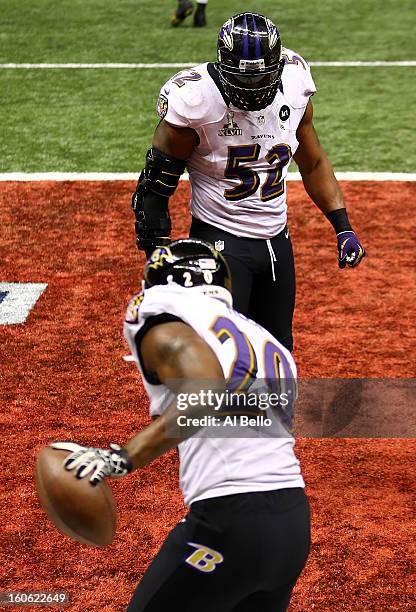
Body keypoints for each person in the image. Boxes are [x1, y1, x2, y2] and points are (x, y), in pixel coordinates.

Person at [51, 238, 310, 611]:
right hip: (291, 523)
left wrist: (119, 459)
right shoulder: (267, 341)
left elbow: (203, 396)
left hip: (229, 522)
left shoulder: (165, 312)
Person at [131, 12, 366, 352]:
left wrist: (342, 226)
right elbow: (154, 187)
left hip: (276, 241)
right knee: (222, 354)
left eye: (262, 79)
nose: (254, 89)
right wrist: (156, 251)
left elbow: (312, 162)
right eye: (245, 80)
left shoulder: (295, 83)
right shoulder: (196, 100)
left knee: (277, 352)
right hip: (220, 241)